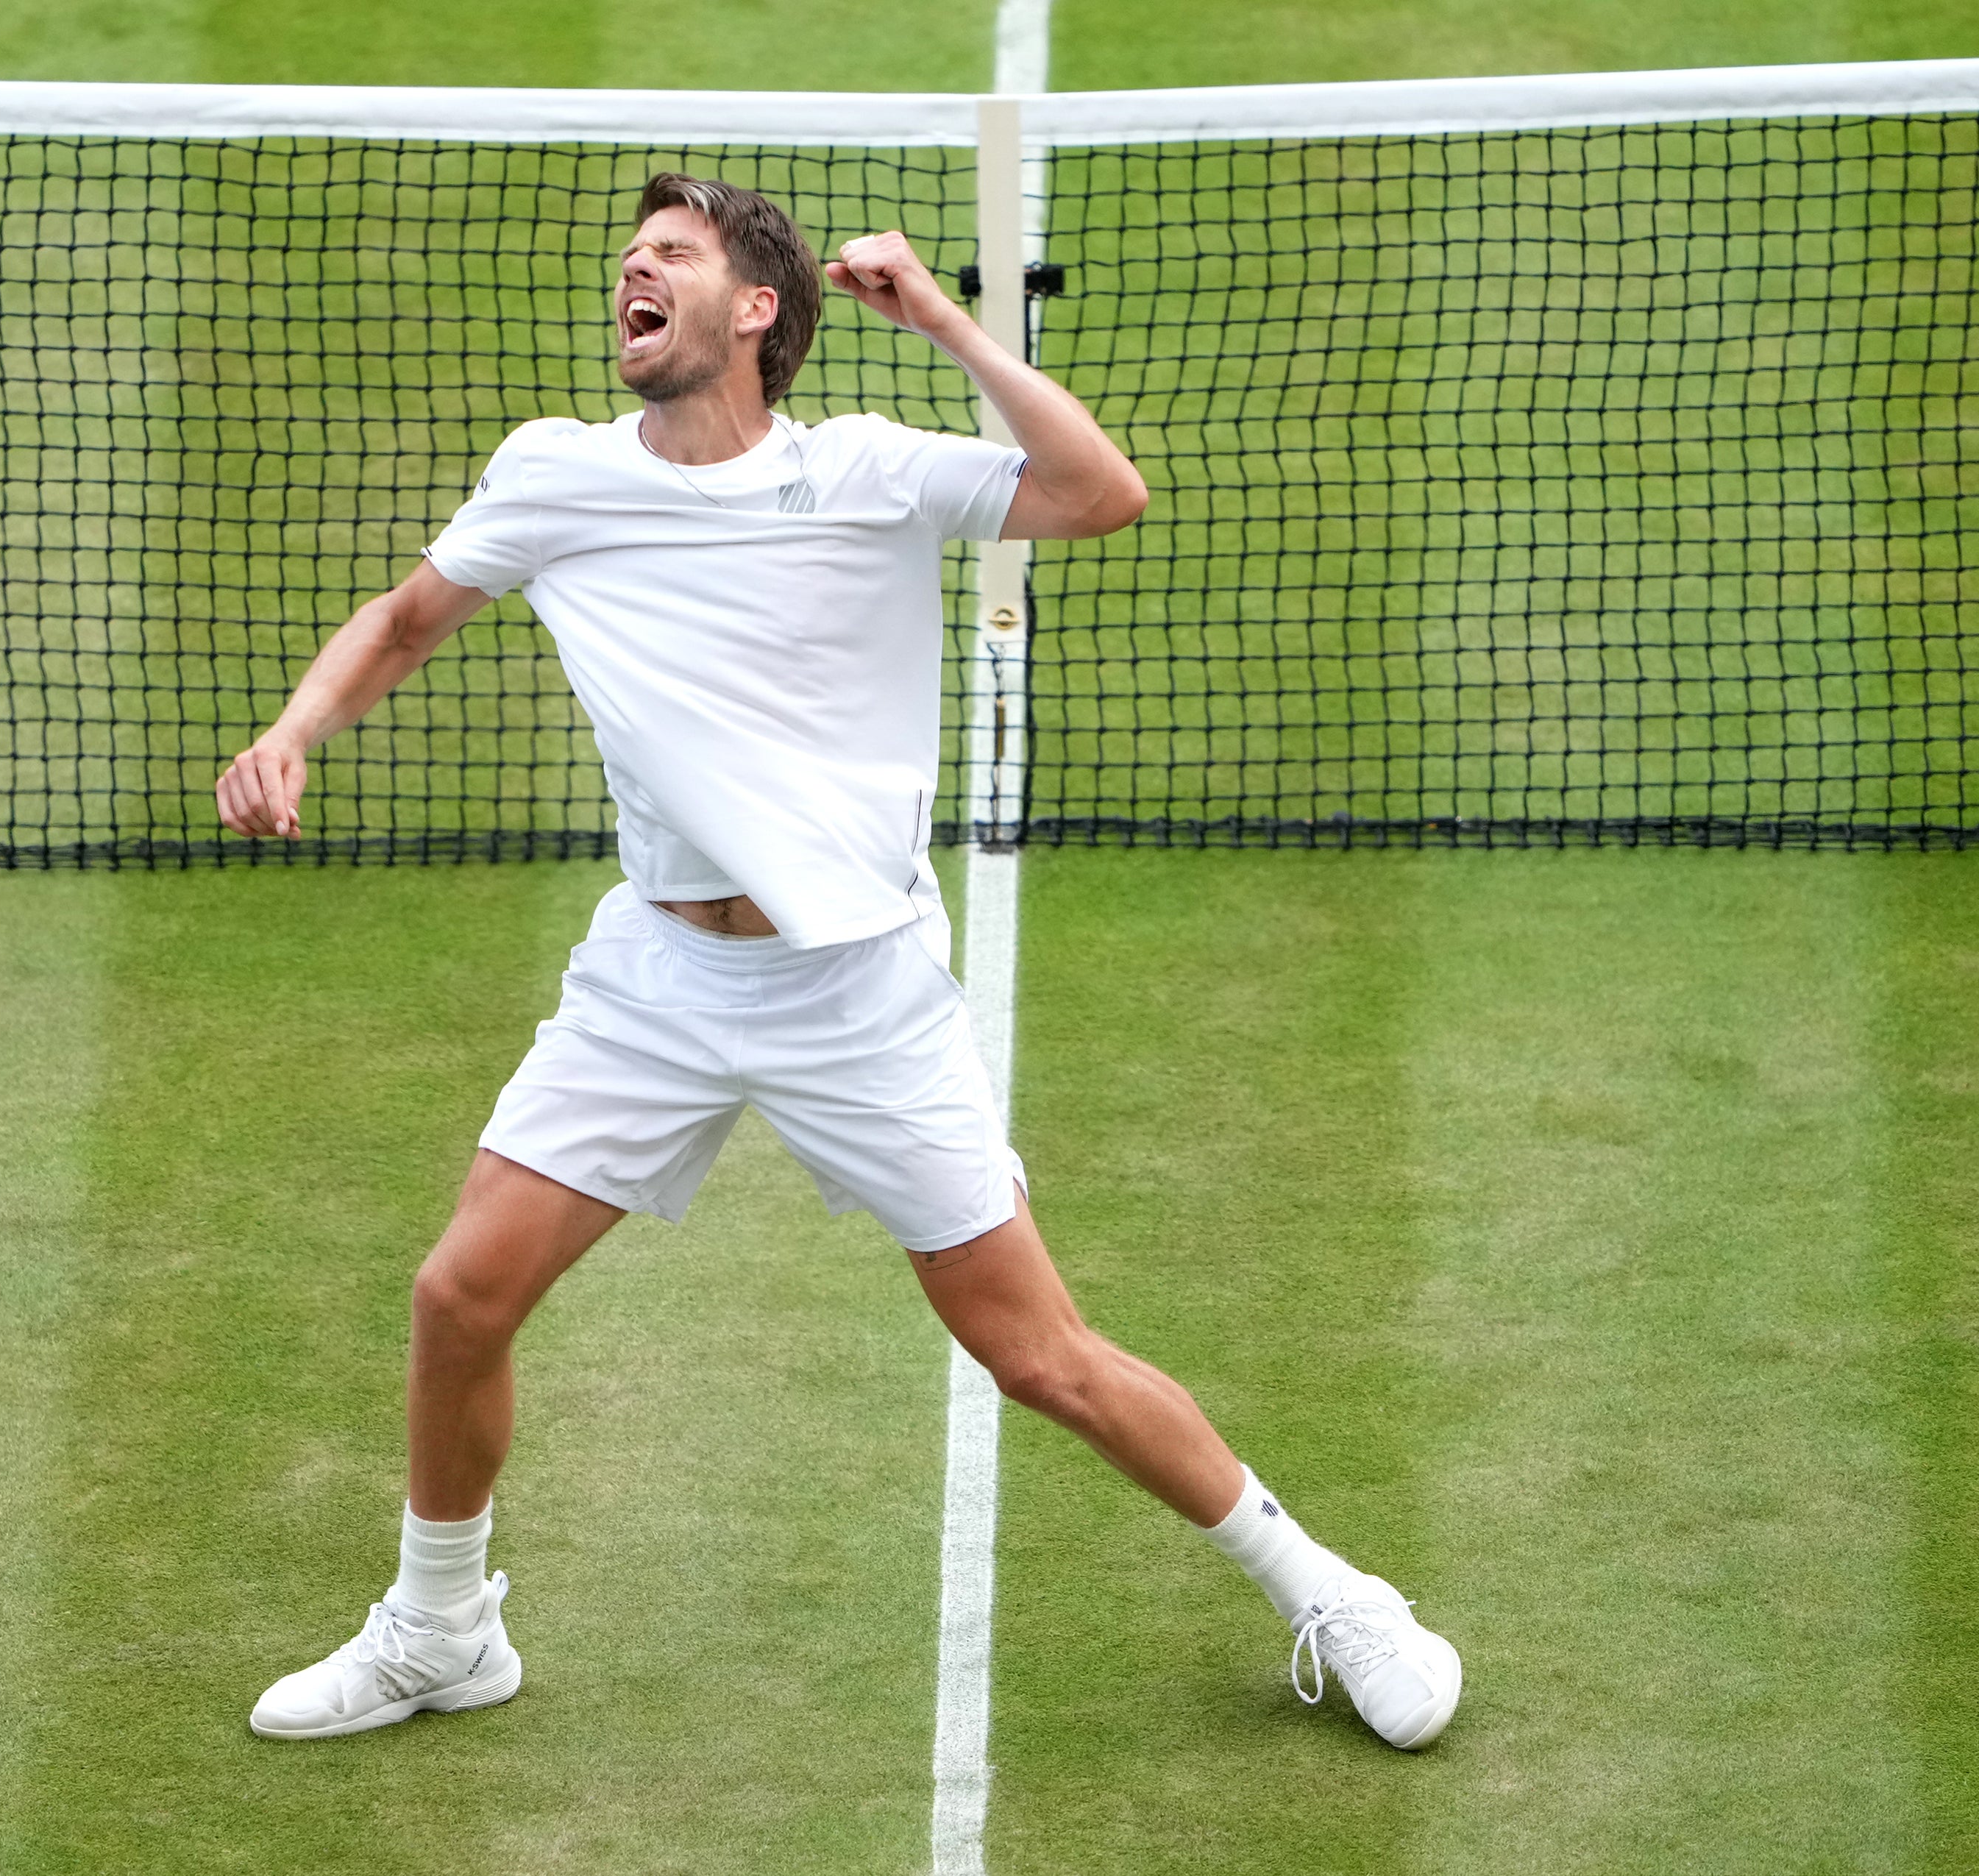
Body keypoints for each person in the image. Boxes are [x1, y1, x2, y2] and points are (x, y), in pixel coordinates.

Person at [215, 173, 1461, 1750]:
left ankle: (1328, 1591)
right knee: (460, 1295)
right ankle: (439, 1630)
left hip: (856, 993)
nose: (632, 270)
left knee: (1036, 1358)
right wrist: (290, 734)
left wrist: (939, 316)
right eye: (629, 257)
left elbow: (1096, 494)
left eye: (669, 256)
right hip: (657, 982)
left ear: (756, 311)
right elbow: (400, 623)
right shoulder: (551, 476)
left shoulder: (869, 472)